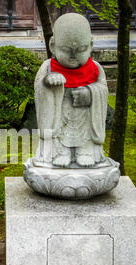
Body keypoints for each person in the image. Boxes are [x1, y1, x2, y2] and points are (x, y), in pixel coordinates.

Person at [33, 13, 108, 168]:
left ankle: (86, 151)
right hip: (59, 123)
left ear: (91, 45)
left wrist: (91, 93)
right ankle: (60, 152)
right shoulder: (48, 67)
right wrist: (48, 82)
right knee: (59, 133)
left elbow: (103, 90)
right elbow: (39, 90)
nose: (74, 55)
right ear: (53, 46)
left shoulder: (95, 69)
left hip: (85, 122)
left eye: (81, 49)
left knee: (86, 133)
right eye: (66, 50)